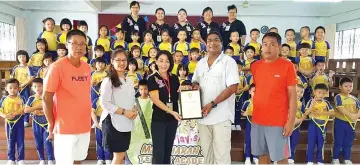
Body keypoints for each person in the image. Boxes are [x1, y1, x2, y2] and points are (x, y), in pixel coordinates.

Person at [43, 29, 92, 165]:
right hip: (64, 127)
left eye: (82, 43)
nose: (79, 47)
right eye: (75, 43)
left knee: (78, 160)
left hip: (84, 124)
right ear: (66, 45)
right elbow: (46, 98)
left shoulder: (87, 67)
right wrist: (51, 123)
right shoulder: (57, 67)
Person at [192, 31, 239, 164]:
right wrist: (195, 86)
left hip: (221, 117)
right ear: (205, 44)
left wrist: (212, 104)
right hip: (202, 117)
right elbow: (195, 81)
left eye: (216, 40)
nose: (212, 43)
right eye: (209, 40)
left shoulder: (228, 62)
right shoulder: (200, 63)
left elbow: (232, 88)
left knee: (221, 155)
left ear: (221, 43)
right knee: (207, 156)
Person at [250, 32, 297, 164]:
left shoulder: (287, 66)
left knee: (281, 157)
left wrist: (290, 121)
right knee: (262, 156)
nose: (268, 48)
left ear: (279, 47)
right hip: (258, 119)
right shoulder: (255, 66)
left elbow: (292, 96)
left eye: (272, 44)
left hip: (278, 121)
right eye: (265, 44)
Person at [99, 49, 137, 164]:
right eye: (118, 60)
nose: (121, 63)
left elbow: (132, 98)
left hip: (126, 122)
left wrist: (134, 108)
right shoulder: (108, 80)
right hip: (113, 122)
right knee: (118, 156)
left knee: (121, 156)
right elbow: (104, 103)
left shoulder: (129, 80)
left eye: (124, 60)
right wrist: (125, 112)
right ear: (112, 61)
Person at [147, 50, 181, 164]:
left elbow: (178, 96)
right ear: (156, 61)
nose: (164, 64)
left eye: (167, 61)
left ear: (170, 63)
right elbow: (155, 100)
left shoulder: (175, 78)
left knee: (168, 151)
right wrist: (171, 112)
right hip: (159, 120)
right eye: (161, 61)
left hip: (172, 120)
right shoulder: (152, 78)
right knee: (158, 152)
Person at [24, 78, 55, 165]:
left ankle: (50, 159)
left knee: (48, 141)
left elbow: (53, 108)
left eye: (40, 86)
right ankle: (41, 159)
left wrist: (44, 109)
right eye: (35, 86)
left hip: (47, 123)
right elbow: (26, 110)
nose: (37, 88)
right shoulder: (31, 98)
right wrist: (36, 109)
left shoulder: (49, 97)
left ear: (44, 86)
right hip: (36, 123)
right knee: (38, 142)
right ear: (32, 88)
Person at [303, 84, 334, 165]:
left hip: (323, 125)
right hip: (313, 124)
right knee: (311, 142)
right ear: (314, 92)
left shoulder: (326, 102)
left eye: (323, 93)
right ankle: (310, 160)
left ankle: (320, 160)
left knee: (321, 143)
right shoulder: (310, 101)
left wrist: (321, 112)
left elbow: (333, 113)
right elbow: (306, 113)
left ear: (326, 93)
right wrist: (311, 107)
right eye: (319, 92)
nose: (321, 95)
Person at [332, 77, 360, 165]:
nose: (348, 88)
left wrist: (356, 116)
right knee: (338, 141)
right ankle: (335, 158)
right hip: (340, 122)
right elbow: (340, 108)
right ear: (340, 87)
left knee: (348, 142)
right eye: (346, 86)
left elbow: (359, 109)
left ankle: (347, 158)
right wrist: (351, 115)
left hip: (351, 124)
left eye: (350, 86)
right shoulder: (338, 97)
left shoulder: (355, 99)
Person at [0, 78, 26, 165]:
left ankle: (21, 159)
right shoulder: (4, 99)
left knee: (20, 140)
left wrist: (16, 113)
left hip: (19, 121)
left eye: (15, 88)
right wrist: (5, 115)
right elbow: (0, 111)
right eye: (10, 88)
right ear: (6, 89)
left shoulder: (21, 98)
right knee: (10, 140)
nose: (13, 90)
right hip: (8, 122)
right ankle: (11, 159)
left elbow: (25, 109)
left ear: (19, 88)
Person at [11, 50, 35, 127]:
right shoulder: (15, 68)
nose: (22, 58)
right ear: (17, 58)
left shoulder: (29, 68)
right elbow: (12, 78)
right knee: (16, 103)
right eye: (20, 56)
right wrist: (16, 86)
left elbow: (31, 78)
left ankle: (26, 120)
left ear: (26, 57)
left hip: (25, 88)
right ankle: (16, 117)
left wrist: (23, 84)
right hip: (16, 88)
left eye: (24, 56)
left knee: (26, 103)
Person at [91, 82, 112, 165]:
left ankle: (108, 158)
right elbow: (92, 112)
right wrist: (96, 123)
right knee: (99, 140)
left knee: (107, 140)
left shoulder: (110, 100)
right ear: (99, 90)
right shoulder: (96, 101)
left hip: (108, 121)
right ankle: (100, 158)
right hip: (99, 121)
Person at [288, 84, 306, 164]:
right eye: (297, 91)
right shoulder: (287, 101)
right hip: (286, 126)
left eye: (301, 92)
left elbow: (303, 115)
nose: (299, 94)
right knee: (285, 142)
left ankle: (291, 156)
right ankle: (283, 156)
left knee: (294, 141)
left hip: (296, 126)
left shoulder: (301, 104)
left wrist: (298, 120)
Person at [241, 84, 258, 165]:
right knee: (248, 140)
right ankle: (247, 157)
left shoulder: (260, 103)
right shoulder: (247, 103)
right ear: (250, 92)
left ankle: (255, 157)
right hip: (249, 124)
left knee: (257, 140)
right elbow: (242, 112)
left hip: (258, 125)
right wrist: (246, 113)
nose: (256, 93)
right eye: (254, 91)